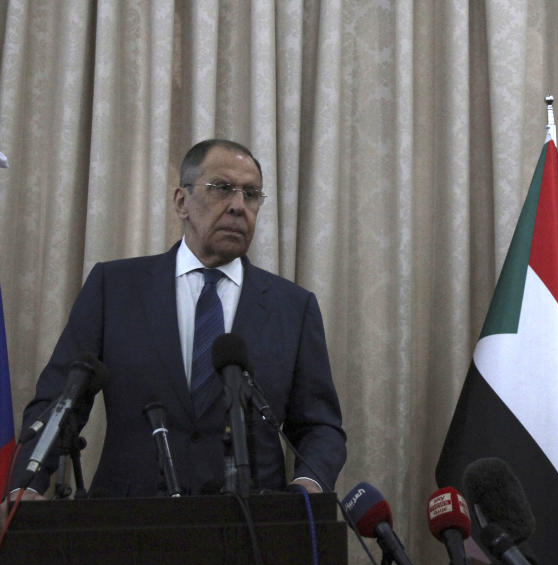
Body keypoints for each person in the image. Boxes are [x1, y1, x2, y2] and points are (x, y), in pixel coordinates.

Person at [3, 139, 344, 514]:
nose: (237, 206)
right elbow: (58, 400)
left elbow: (320, 426)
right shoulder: (114, 287)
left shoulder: (293, 307)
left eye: (251, 194)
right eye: (222, 188)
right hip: (126, 527)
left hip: (252, 529)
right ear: (181, 201)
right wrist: (27, 485)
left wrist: (308, 484)